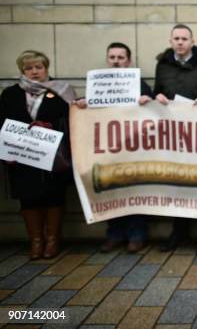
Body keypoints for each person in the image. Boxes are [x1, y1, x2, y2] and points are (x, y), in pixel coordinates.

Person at [74, 42, 153, 253]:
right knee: (112, 191)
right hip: (107, 150)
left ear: (129, 60)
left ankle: (137, 235)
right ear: (108, 59)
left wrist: (148, 100)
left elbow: (153, 110)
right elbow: (88, 109)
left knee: (135, 190)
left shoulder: (140, 84)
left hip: (135, 149)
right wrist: (82, 103)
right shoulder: (98, 84)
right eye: (112, 57)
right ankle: (115, 234)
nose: (116, 61)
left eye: (121, 57)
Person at [0, 50, 76, 260]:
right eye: (29, 68)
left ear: (46, 68)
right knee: (28, 198)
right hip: (21, 156)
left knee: (54, 197)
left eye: (38, 67)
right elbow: (3, 124)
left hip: (54, 157)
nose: (34, 72)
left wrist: (49, 126)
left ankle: (52, 241)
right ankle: (36, 241)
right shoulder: (10, 94)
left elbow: (73, 120)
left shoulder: (62, 91)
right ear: (22, 71)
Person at [153, 24, 197, 253]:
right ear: (171, 41)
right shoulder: (162, 65)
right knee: (176, 182)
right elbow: (156, 91)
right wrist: (157, 96)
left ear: (192, 41)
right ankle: (177, 233)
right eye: (176, 38)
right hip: (172, 136)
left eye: (184, 38)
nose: (180, 42)